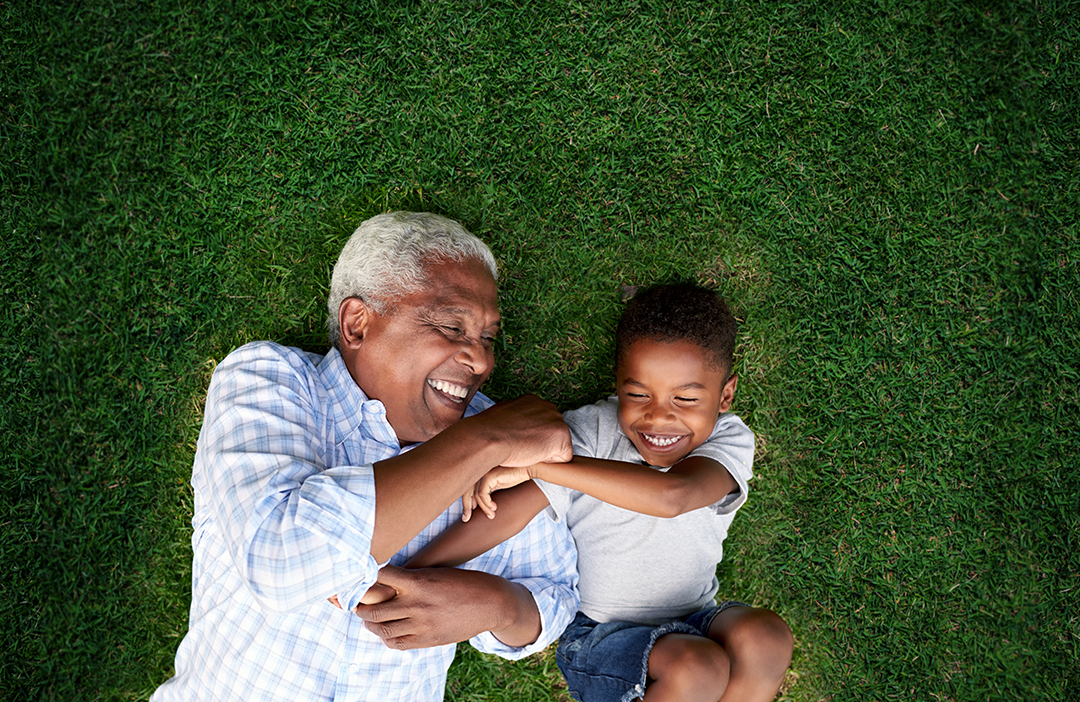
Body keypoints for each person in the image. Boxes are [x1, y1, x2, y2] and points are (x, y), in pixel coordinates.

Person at [151, 211, 580, 702]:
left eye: (486, 338)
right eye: (450, 326)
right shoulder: (268, 380)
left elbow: (554, 593)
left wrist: (496, 607)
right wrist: (483, 441)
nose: (481, 361)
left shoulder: (497, 438)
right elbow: (281, 561)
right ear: (357, 324)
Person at [395, 283, 794, 702]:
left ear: (725, 395)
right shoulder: (592, 432)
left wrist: (539, 464)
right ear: (618, 385)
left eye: (687, 398)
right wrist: (414, 572)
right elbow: (511, 512)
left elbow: (673, 496)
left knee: (766, 637)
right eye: (638, 394)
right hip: (601, 635)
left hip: (698, 615)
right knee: (696, 667)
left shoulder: (728, 439)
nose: (659, 417)